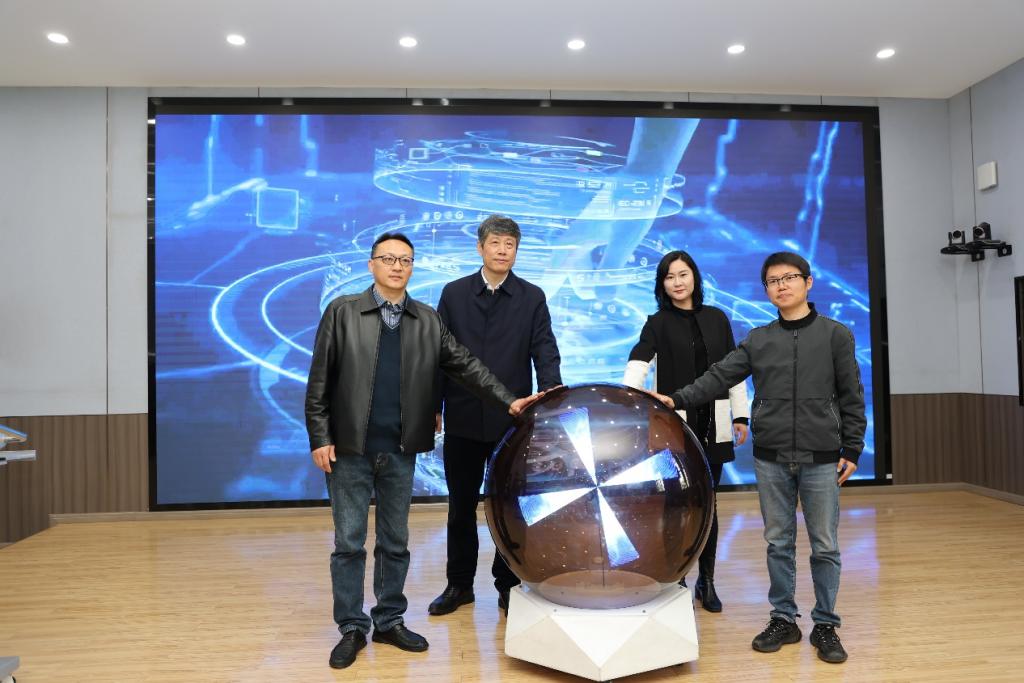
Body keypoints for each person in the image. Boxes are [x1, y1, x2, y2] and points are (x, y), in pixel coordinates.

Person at [305, 232, 541, 670]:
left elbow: (466, 365)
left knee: (395, 542)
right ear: (372, 265)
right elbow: (319, 379)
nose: (397, 266)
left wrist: (509, 401)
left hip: (400, 449)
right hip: (349, 450)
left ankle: (389, 620)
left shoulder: (426, 319)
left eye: (406, 260)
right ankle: (352, 626)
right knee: (349, 544)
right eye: (388, 259)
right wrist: (320, 437)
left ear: (412, 268)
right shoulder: (342, 311)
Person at [649, 251, 866, 664]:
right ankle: (783, 618)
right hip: (771, 458)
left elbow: (851, 395)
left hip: (821, 457)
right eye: (773, 281)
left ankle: (825, 623)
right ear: (766, 290)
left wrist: (852, 448)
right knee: (777, 543)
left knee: (824, 545)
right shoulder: (759, 339)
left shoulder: (835, 335)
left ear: (808, 282)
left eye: (789, 278)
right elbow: (718, 377)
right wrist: (676, 399)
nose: (781, 286)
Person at [428, 215, 562, 617]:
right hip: (463, 417)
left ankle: (508, 584)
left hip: (512, 422)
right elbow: (438, 355)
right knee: (460, 507)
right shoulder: (454, 294)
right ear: (480, 247)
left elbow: (545, 350)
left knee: (510, 509)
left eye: (510, 244)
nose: (503, 250)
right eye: (495, 243)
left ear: (517, 251)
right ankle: (459, 585)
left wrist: (551, 398)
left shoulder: (532, 297)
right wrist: (434, 405)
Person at [621, 250, 749, 613]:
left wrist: (741, 415)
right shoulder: (657, 322)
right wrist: (627, 400)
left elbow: (733, 369)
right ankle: (674, 578)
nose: (677, 282)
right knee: (674, 505)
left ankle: (706, 581)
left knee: (707, 505)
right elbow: (638, 363)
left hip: (714, 424)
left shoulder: (717, 319)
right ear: (661, 284)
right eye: (669, 276)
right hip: (672, 427)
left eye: (683, 274)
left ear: (695, 277)